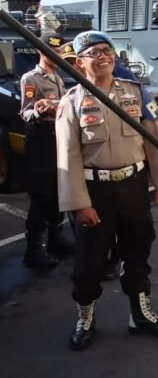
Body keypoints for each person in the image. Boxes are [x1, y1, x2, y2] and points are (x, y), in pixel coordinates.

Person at [56, 30, 158, 351]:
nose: (103, 57)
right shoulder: (72, 101)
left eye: (106, 50)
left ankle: (140, 315)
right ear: (80, 62)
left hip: (133, 186)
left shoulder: (136, 93)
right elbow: (66, 157)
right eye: (93, 53)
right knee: (89, 260)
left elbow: (155, 139)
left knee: (138, 250)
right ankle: (85, 316)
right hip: (95, 191)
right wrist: (79, 204)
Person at [18, 32, 75, 268]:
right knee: (41, 196)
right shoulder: (31, 79)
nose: (57, 55)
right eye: (52, 51)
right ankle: (34, 250)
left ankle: (55, 239)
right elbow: (26, 113)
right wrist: (41, 111)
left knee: (56, 193)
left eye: (59, 51)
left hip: (59, 141)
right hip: (41, 141)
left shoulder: (58, 78)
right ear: (42, 51)